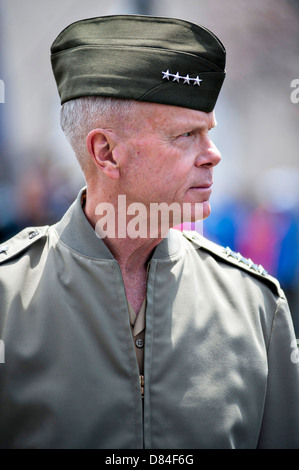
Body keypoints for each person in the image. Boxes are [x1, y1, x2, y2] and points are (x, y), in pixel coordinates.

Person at [0, 14, 298, 450]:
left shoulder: (254, 305)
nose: (213, 155)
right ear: (106, 152)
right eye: (187, 135)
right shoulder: (8, 301)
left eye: (209, 132)